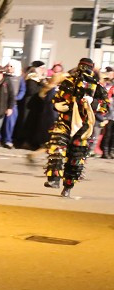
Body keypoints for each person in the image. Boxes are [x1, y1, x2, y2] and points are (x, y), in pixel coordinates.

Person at [44, 58, 103, 198]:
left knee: (76, 158)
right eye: (81, 67)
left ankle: (68, 187)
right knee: (56, 148)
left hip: (83, 128)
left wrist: (92, 102)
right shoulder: (68, 82)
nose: (83, 70)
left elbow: (104, 107)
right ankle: (54, 179)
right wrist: (63, 105)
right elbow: (57, 99)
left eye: (86, 67)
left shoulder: (97, 87)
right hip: (65, 122)